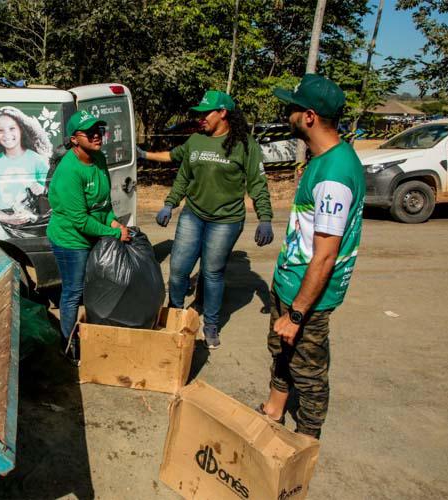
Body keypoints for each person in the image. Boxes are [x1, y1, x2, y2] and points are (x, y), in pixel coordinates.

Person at [256, 74, 364, 439]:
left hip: (308, 295)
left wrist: (298, 313)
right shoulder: (324, 159)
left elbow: (325, 256)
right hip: (290, 283)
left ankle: (305, 442)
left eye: (292, 108)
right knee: (281, 352)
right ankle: (273, 410)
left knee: (309, 373)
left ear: (309, 116)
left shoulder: (334, 173)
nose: (287, 114)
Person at [137, 90, 274, 349]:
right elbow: (184, 176)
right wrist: (170, 203)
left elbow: (257, 184)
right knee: (178, 270)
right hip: (193, 215)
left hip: (226, 220)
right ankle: (175, 313)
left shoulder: (245, 145)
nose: (200, 118)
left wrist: (264, 217)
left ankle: (210, 324)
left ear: (222, 112)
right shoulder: (196, 140)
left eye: (205, 113)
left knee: (212, 273)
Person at [47, 110, 130, 364]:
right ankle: (67, 345)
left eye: (99, 131)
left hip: (93, 233)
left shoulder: (99, 158)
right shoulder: (69, 171)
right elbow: (80, 220)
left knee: (95, 288)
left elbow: (104, 203)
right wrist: (114, 232)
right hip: (70, 239)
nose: (97, 136)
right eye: (90, 132)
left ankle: (94, 336)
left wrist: (113, 221)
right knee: (73, 291)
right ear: (74, 139)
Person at [0, 106, 52, 239]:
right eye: (0, 130)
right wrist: (9, 219)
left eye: (12, 128)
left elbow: (56, 194)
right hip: (3, 230)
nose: (7, 134)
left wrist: (44, 190)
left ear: (22, 129)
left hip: (33, 228)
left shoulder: (37, 160)